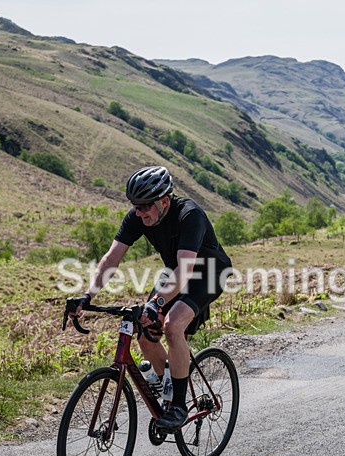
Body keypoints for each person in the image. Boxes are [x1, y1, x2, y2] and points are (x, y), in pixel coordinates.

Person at [71, 165, 232, 431]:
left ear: (164, 201)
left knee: (172, 325)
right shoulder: (137, 217)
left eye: (145, 206)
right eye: (136, 206)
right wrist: (87, 295)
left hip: (209, 272)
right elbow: (112, 258)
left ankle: (178, 405)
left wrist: (156, 303)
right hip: (176, 272)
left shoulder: (190, 215)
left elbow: (186, 270)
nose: (139, 211)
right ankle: (168, 383)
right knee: (145, 332)